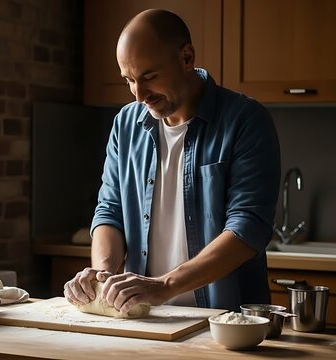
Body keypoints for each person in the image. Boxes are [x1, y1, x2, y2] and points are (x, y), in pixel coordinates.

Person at [63, 9, 281, 314]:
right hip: (147, 319)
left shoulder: (245, 120)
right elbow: (110, 211)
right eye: (129, 80)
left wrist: (164, 286)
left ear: (187, 57)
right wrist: (104, 276)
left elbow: (248, 228)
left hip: (225, 321)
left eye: (149, 77)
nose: (139, 95)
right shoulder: (126, 124)